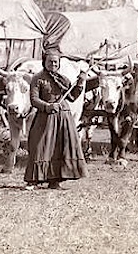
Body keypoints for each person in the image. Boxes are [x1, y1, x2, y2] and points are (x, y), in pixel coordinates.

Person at [24, 49, 88, 190]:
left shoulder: (63, 79)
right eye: (50, 62)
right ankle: (33, 181)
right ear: (44, 62)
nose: (53, 64)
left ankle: (55, 181)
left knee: (59, 149)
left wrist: (80, 83)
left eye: (55, 62)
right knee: (39, 147)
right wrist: (48, 106)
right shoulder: (37, 78)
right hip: (45, 119)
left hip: (63, 118)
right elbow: (34, 100)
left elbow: (72, 97)